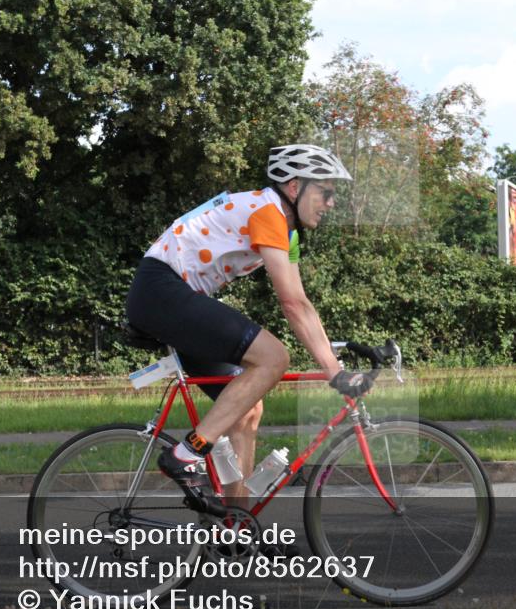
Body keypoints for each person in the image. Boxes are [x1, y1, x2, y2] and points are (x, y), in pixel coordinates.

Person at [125, 144, 370, 512]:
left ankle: (236, 524)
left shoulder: (288, 234)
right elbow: (292, 305)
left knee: (248, 411)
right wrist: (334, 371)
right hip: (162, 289)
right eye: (325, 192)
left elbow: (302, 302)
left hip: (174, 294)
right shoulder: (268, 212)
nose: (330, 203)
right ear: (294, 187)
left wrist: (332, 361)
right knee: (273, 357)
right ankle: (185, 453)